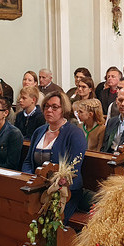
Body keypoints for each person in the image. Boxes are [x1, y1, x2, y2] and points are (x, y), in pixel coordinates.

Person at [22, 91, 87, 222]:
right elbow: (28, 161)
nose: (49, 110)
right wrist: (31, 180)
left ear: (64, 110)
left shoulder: (75, 133)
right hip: (37, 188)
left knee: (49, 222)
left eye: (54, 107)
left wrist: (53, 185)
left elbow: (73, 169)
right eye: (46, 106)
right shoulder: (39, 131)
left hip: (65, 192)